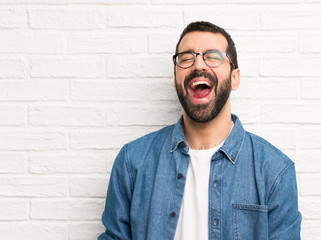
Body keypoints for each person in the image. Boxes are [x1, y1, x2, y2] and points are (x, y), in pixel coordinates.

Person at [98, 21, 302, 240]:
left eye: (213, 56)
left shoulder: (275, 171)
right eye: (186, 58)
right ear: (175, 81)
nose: (198, 65)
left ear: (235, 78)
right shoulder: (132, 162)